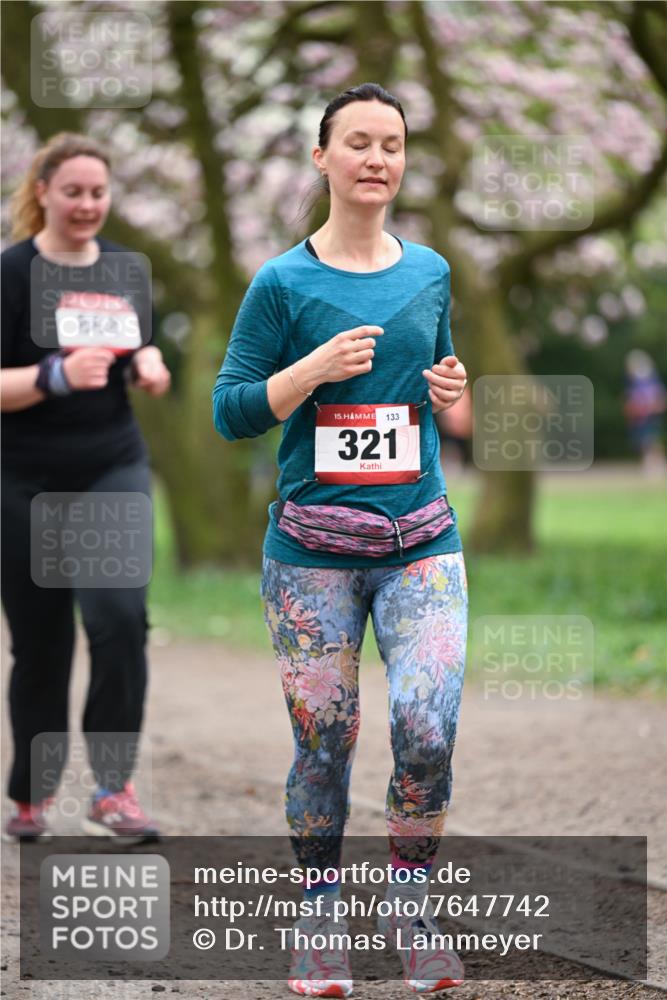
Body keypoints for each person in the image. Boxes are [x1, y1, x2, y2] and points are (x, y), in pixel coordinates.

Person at [213, 84, 468, 996]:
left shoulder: (431, 270)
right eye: (356, 141)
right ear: (320, 158)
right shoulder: (282, 282)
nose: (376, 158)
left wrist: (453, 392)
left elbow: (446, 388)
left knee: (426, 726)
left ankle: (412, 902)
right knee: (325, 740)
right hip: (311, 554)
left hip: (421, 538)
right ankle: (318, 914)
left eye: (391, 144)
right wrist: (309, 372)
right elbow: (230, 411)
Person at [1, 133, 170, 842]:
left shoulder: (126, 269)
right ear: (43, 191)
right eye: (73, 191)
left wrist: (150, 363)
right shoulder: (10, 274)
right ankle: (33, 797)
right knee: (41, 643)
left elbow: (132, 351)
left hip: (109, 465)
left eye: (98, 192)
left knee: (119, 620)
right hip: (22, 475)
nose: (87, 205)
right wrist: (52, 377)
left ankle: (113, 788)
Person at [623, 349, 667, 477]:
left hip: (649, 415)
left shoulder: (647, 380)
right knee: (646, 441)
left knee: (650, 441)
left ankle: (655, 465)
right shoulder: (636, 382)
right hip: (641, 416)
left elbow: (658, 397)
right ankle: (652, 464)